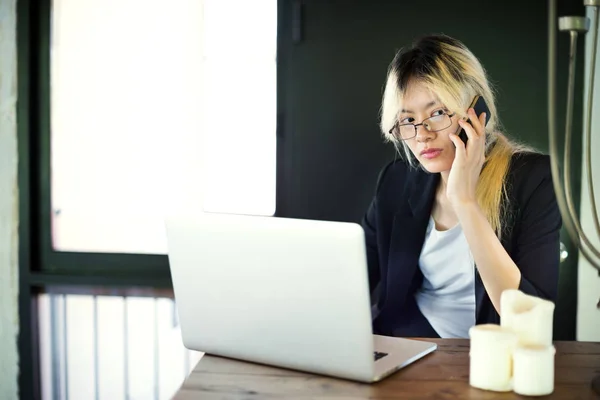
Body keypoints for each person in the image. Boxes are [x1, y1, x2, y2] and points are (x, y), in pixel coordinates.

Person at [362, 34, 562, 338]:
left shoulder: (533, 181)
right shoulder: (396, 181)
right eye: (408, 120)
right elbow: (353, 278)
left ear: (475, 110)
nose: (422, 134)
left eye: (438, 113)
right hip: (411, 340)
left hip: (492, 353)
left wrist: (464, 201)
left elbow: (528, 314)